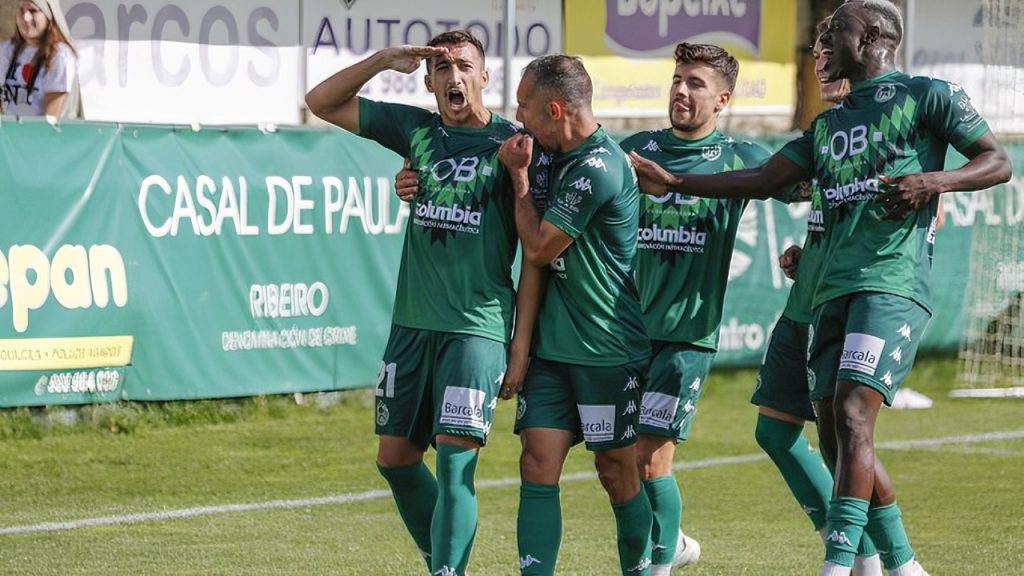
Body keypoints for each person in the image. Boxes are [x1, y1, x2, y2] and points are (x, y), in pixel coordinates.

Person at [630, 2, 1012, 575]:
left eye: (834, 32)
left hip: (885, 284)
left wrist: (933, 183)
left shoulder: (926, 96)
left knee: (852, 418)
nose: (822, 43)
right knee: (823, 432)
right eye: (819, 38)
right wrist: (682, 182)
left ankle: (852, 562)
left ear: (875, 36)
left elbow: (996, 161)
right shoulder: (828, 127)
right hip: (817, 293)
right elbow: (779, 186)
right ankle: (895, 563)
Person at [306, 30, 543, 576]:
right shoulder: (416, 131)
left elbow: (534, 257)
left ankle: (447, 570)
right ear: (430, 80)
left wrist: (520, 346)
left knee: (457, 463)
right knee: (395, 460)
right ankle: (444, 555)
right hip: (411, 324)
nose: (453, 77)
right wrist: (385, 60)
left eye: (464, 66)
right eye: (442, 69)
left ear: (485, 77)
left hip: (476, 328)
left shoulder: (516, 146)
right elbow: (321, 102)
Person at [620, 42, 798, 575]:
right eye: (677, 79)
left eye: (696, 83)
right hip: (625, 332)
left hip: (687, 335)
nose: (680, 90)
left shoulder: (741, 159)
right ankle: (671, 545)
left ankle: (658, 565)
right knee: (626, 463)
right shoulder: (634, 149)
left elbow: (818, 191)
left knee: (651, 460)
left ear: (723, 99)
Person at [497, 55, 654, 576]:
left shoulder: (599, 167)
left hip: (606, 350)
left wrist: (519, 178)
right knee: (536, 462)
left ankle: (642, 568)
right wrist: (521, 348)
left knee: (616, 472)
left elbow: (539, 250)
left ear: (556, 109)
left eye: (524, 105)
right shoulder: (553, 155)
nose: (518, 116)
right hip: (551, 354)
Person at [751, 20, 884, 576]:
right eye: (817, 53)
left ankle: (880, 561)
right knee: (777, 431)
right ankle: (867, 557)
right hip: (805, 300)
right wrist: (811, 252)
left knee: (847, 432)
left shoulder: (887, 127)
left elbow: (925, 209)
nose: (823, 61)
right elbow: (798, 191)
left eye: (834, 51)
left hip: (848, 301)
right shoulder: (824, 133)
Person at [1, 0, 77, 118]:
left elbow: (49, 120)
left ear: (48, 16)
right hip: (10, 133)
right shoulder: (6, 51)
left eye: (33, 11)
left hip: (43, 134)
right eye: (21, 10)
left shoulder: (60, 56)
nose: (25, 18)